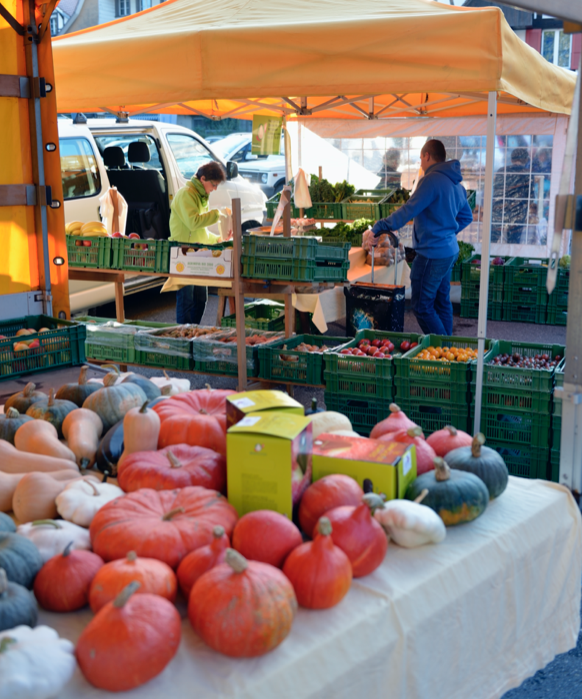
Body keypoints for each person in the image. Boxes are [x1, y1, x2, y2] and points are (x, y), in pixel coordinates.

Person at [371, 139, 473, 336]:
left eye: (420, 159)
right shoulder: (456, 184)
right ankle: (448, 352)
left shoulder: (430, 180)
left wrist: (381, 226)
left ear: (427, 156)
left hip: (431, 255)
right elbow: (467, 216)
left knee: (421, 307)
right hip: (449, 251)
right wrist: (448, 233)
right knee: (442, 302)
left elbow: (408, 210)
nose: (420, 164)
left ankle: (442, 348)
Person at [169, 161, 230, 324]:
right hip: (183, 253)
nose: (215, 188)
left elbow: (199, 232)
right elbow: (193, 222)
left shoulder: (201, 196)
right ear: (203, 179)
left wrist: (216, 239)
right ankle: (184, 338)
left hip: (197, 253)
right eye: (214, 184)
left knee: (201, 299)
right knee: (186, 300)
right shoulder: (186, 194)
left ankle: (194, 332)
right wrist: (216, 214)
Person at [491, 148, 531, 244]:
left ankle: (491, 259)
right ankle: (509, 259)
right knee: (513, 244)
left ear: (512, 159)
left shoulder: (501, 171)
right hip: (517, 214)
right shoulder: (527, 173)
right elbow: (530, 197)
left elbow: (495, 190)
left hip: (498, 210)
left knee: (492, 242)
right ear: (525, 160)